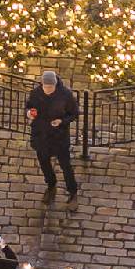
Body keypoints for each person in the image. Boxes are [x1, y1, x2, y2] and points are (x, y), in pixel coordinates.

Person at [23, 69, 80, 202]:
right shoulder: (36, 93)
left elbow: (74, 113)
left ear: (55, 85)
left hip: (59, 136)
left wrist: (61, 121)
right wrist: (29, 113)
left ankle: (72, 192)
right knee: (44, 163)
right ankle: (51, 185)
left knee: (65, 165)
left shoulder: (65, 95)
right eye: (45, 87)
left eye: (50, 87)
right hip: (41, 135)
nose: (48, 90)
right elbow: (28, 107)